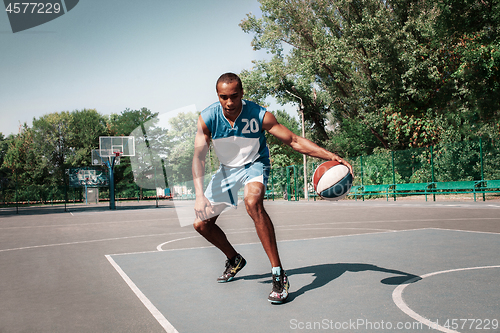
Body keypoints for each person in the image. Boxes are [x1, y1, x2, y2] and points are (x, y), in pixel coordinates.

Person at [192, 73, 353, 304]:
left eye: (234, 96)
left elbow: (294, 140)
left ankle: (278, 275)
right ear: (218, 96)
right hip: (227, 170)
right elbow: (198, 157)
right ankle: (234, 259)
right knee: (201, 224)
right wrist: (199, 196)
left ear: (242, 93)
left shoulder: (259, 115)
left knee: (252, 202)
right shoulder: (207, 118)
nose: (229, 102)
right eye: (223, 97)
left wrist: (331, 156)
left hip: (254, 164)